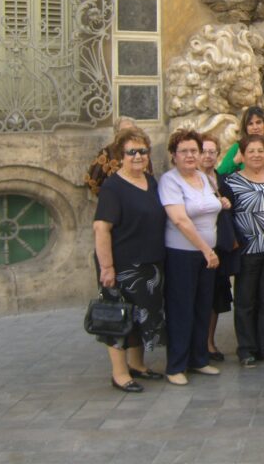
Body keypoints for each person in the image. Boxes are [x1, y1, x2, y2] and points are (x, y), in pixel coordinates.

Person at [92, 127, 167, 393]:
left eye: (142, 151)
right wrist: (107, 268)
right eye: (131, 152)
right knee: (120, 317)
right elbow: (102, 228)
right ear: (120, 155)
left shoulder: (151, 181)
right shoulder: (114, 186)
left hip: (150, 264)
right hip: (123, 264)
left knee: (143, 316)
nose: (138, 156)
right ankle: (120, 373)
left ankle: (137, 364)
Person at [158, 130, 222, 386]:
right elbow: (180, 220)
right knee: (181, 309)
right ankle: (176, 365)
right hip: (183, 254)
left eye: (194, 151)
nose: (189, 155)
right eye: (183, 151)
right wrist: (205, 249)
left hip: (208, 256)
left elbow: (213, 205)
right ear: (174, 155)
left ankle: (199, 358)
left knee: (202, 307)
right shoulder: (170, 181)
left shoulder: (204, 179)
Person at [222, 134, 264, 367]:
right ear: (243, 155)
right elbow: (227, 214)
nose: (258, 155)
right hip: (249, 249)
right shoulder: (232, 182)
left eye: (262, 150)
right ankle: (247, 349)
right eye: (252, 151)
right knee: (246, 300)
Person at [199, 135, 236, 363]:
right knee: (199, 296)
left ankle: (209, 342)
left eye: (213, 152)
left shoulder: (222, 180)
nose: (208, 155)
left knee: (215, 297)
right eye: (204, 151)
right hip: (196, 246)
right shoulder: (189, 180)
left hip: (219, 245)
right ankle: (198, 342)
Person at [85, 116, 153, 195]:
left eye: (132, 130)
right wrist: (108, 196)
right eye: (124, 131)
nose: (129, 134)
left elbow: (150, 176)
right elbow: (92, 180)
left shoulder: (142, 152)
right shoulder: (107, 152)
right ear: (117, 133)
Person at [217, 106, 264, 175]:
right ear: (245, 128)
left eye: (258, 122)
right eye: (250, 124)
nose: (255, 127)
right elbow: (220, 172)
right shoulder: (238, 147)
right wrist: (236, 160)